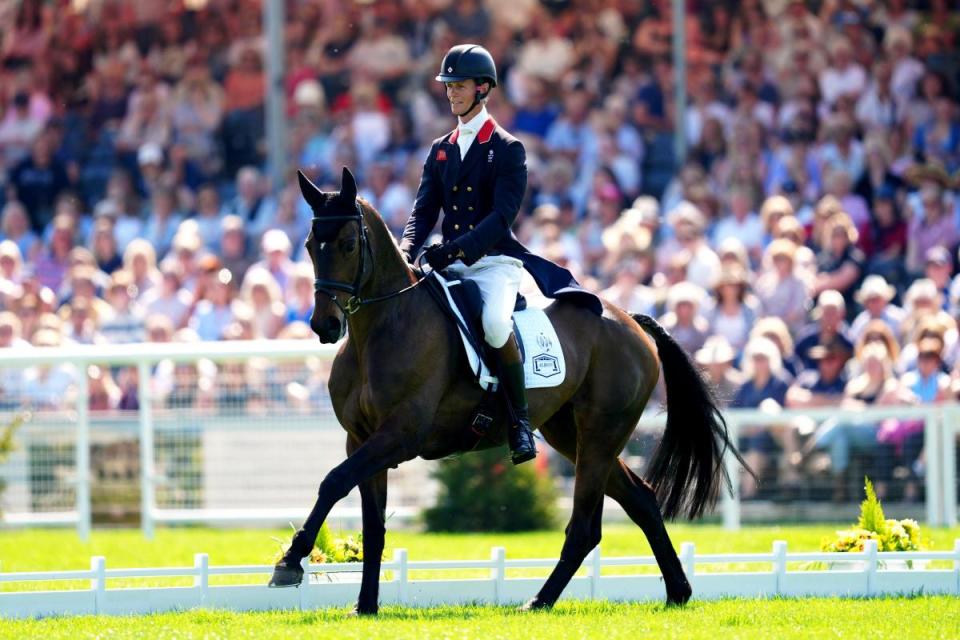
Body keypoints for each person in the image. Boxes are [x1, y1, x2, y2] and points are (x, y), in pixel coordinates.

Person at [398, 44, 599, 465]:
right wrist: (406, 250)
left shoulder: (508, 148)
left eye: (460, 85)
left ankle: (520, 421)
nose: (452, 93)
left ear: (483, 88)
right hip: (446, 261)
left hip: (494, 262)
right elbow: (423, 211)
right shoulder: (440, 148)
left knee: (492, 323)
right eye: (448, 85)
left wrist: (455, 248)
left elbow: (501, 217)